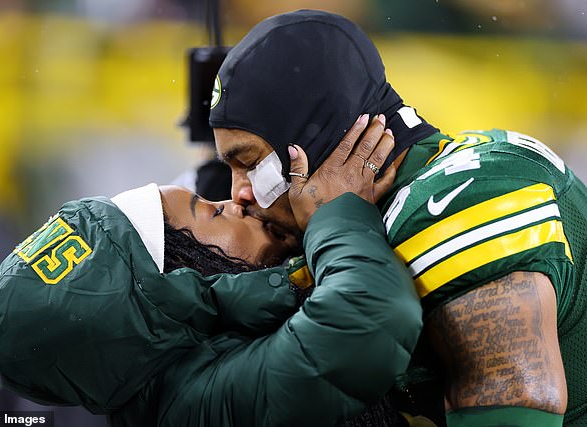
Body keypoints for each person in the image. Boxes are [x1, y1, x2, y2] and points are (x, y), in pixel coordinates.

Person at [208, 10, 586, 427]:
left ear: (311, 139)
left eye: (250, 162)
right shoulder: (377, 216)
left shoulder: (456, 201)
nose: (238, 194)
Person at [0, 119, 423, 426]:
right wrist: (339, 214)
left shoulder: (180, 369)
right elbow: (371, 316)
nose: (236, 201)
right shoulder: (193, 404)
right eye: (210, 211)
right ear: (177, 276)